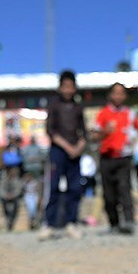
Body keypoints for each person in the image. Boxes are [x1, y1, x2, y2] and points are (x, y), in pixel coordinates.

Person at [39, 70, 87, 241]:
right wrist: (67, 147)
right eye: (65, 86)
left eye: (71, 87)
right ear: (60, 88)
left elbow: (84, 132)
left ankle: (71, 223)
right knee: (53, 187)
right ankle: (48, 224)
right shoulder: (53, 105)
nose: (68, 90)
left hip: (75, 152)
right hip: (58, 151)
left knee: (74, 188)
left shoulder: (78, 107)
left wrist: (79, 146)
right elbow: (50, 130)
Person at [92, 82, 138, 235]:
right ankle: (114, 223)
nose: (118, 96)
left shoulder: (130, 113)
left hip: (124, 158)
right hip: (107, 158)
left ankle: (128, 222)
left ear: (125, 96)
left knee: (124, 189)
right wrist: (105, 132)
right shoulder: (103, 114)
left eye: (121, 93)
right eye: (115, 93)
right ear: (110, 95)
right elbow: (94, 136)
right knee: (109, 194)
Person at [0, 166, 24, 232]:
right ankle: (8, 218)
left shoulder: (17, 179)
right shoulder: (2, 180)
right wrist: (6, 196)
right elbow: (0, 190)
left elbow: (19, 190)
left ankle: (11, 220)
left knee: (17, 204)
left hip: (14, 197)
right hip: (5, 197)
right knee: (2, 203)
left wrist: (12, 195)